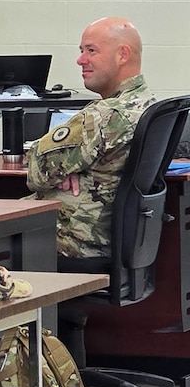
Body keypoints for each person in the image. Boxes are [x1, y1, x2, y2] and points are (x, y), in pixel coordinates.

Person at [27, 17, 155, 259]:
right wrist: (72, 168)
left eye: (91, 50)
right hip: (109, 240)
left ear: (122, 55)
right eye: (81, 51)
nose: (80, 60)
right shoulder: (148, 104)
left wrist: (60, 169)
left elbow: (36, 171)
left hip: (69, 240)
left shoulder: (102, 115)